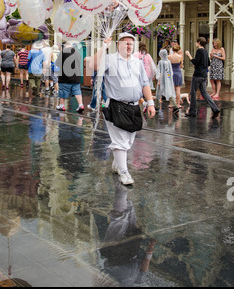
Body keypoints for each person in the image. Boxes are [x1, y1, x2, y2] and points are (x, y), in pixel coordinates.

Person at [93, 32, 156, 186]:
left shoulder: (137, 62)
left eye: (131, 43)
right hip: (115, 106)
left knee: (128, 139)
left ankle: (117, 164)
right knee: (120, 141)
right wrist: (103, 47)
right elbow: (93, 66)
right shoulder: (110, 59)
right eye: (125, 43)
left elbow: (144, 84)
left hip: (134, 106)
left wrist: (150, 102)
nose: (128, 46)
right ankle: (124, 172)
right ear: (118, 44)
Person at [185, 37, 220, 118]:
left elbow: (195, 62)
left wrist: (189, 55)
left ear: (199, 42)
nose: (195, 44)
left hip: (197, 75)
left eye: (196, 42)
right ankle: (215, 108)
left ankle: (192, 111)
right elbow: (208, 63)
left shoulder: (199, 51)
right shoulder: (205, 51)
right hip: (204, 75)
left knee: (193, 92)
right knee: (204, 93)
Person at [56, 42, 84, 113]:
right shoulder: (77, 52)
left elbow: (58, 63)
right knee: (77, 91)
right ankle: (81, 105)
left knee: (63, 91)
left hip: (65, 77)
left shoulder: (63, 52)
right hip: (76, 76)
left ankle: (62, 106)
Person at [154, 49, 179, 114]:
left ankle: (156, 106)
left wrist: (159, 79)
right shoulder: (168, 62)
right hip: (168, 81)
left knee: (158, 93)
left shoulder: (160, 62)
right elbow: (169, 72)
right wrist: (168, 78)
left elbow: (159, 72)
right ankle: (175, 106)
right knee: (169, 92)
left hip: (162, 80)